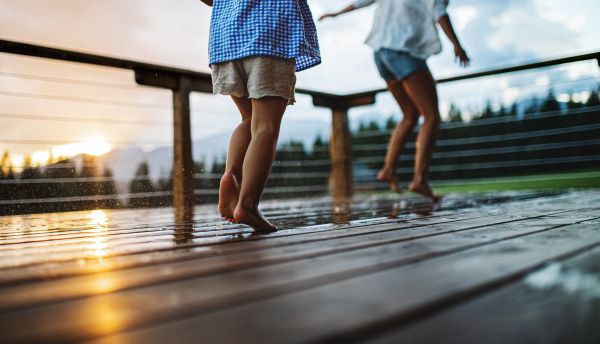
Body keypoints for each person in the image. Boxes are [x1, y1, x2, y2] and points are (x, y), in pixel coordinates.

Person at [320, 0, 469, 201]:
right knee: (431, 116)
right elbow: (440, 13)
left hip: (380, 53)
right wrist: (457, 45)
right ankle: (420, 180)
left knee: (410, 115)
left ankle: (389, 170)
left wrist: (336, 14)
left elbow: (362, 2)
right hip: (403, 50)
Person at [199, 0, 321, 232]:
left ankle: (232, 176)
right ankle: (248, 205)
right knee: (265, 127)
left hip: (226, 39)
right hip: (269, 34)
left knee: (248, 118)